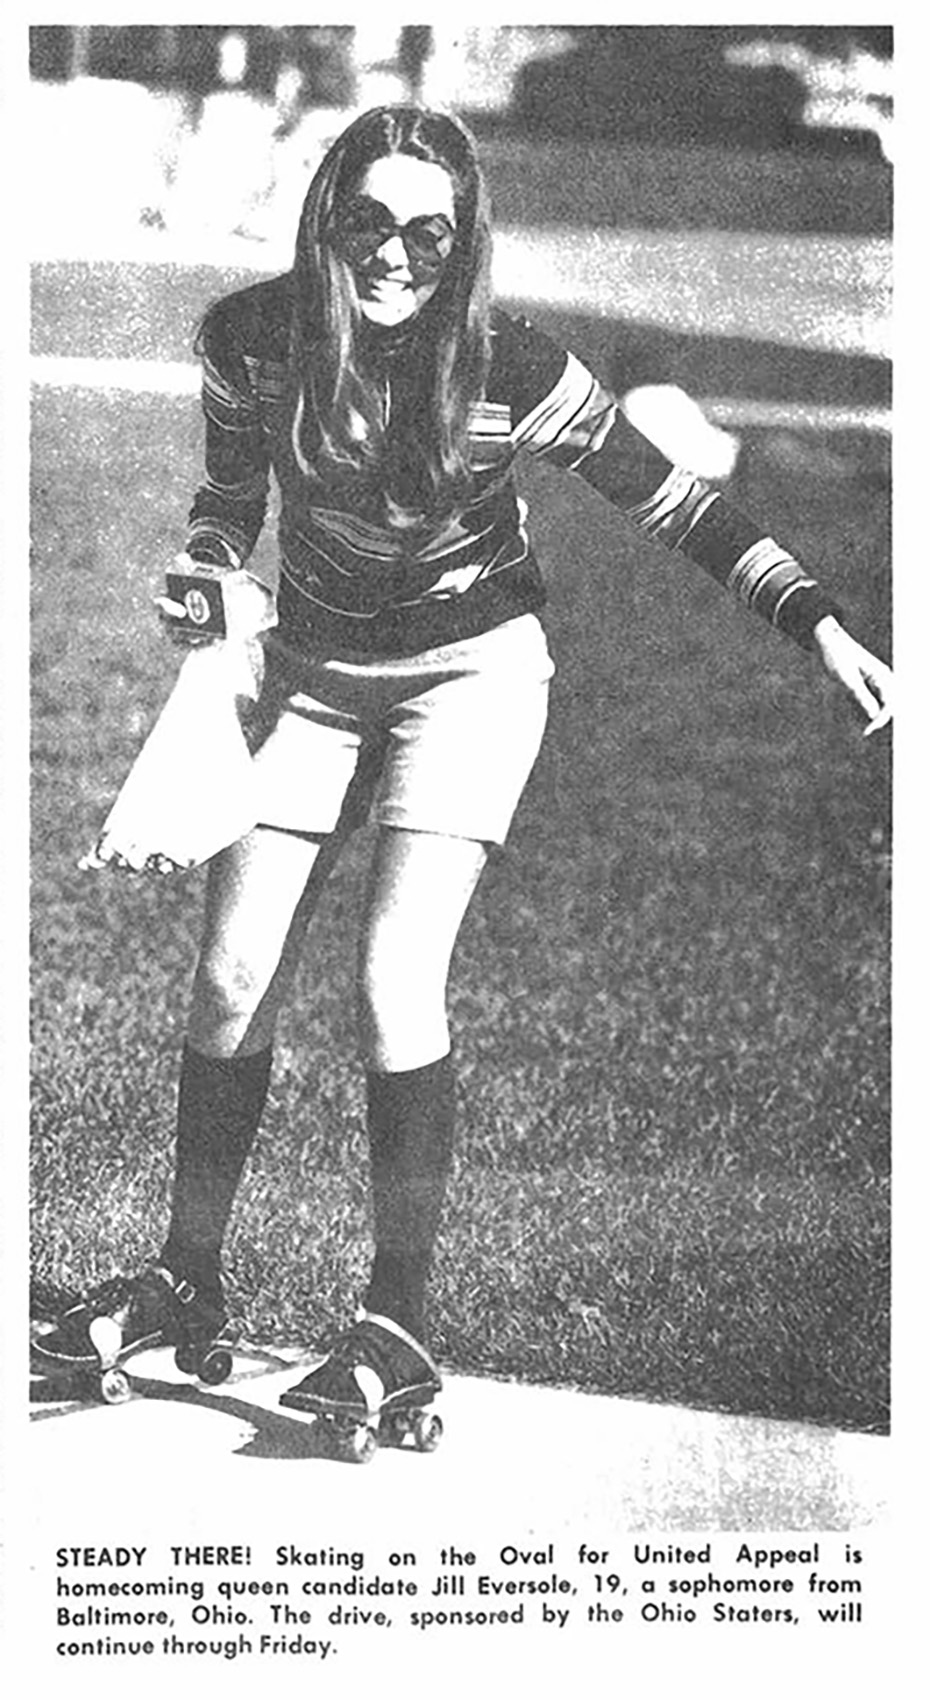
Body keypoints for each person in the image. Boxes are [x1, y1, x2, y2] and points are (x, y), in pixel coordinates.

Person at [33, 105, 892, 1447]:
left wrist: (820, 620)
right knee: (227, 977)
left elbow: (670, 500)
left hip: (469, 680)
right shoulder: (250, 340)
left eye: (425, 233)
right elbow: (228, 501)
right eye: (366, 224)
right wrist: (205, 571)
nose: (393, 255)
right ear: (326, 220)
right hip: (308, 671)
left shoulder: (510, 367)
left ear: (462, 243)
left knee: (391, 982)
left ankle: (396, 1321)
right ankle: (186, 1280)